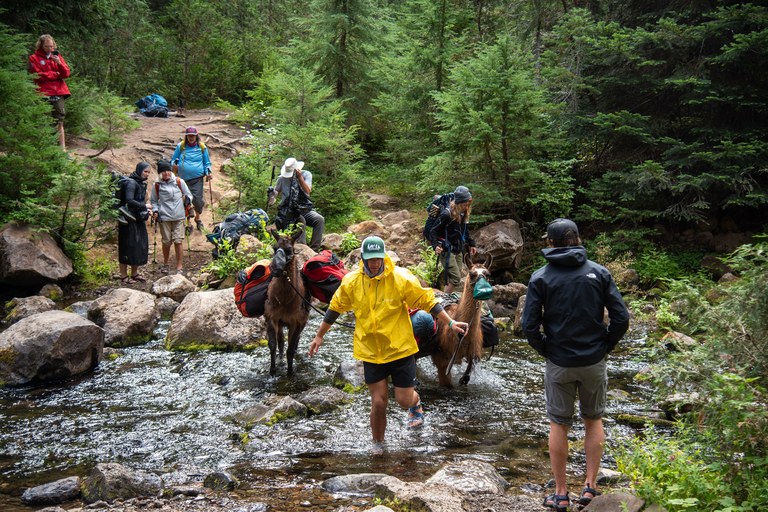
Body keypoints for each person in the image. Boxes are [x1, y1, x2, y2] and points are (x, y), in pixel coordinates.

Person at [308, 236, 468, 450]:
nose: (374, 263)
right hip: (370, 350)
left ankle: (415, 402)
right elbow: (335, 307)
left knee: (403, 399)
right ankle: (378, 447)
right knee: (379, 402)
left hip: (400, 349)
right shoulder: (352, 282)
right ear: (363, 259)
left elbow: (427, 300)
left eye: (377, 259)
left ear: (383, 257)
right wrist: (319, 336)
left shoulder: (400, 278)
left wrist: (450, 322)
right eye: (370, 259)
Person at [520, 218, 630, 512]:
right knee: (593, 420)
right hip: (593, 360)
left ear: (551, 243)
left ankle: (560, 493)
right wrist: (604, 345)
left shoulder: (540, 277)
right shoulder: (599, 272)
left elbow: (528, 325)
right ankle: (590, 488)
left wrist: (547, 350)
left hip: (559, 361)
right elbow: (621, 318)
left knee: (559, 423)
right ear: (578, 239)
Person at [269, 157, 325, 252]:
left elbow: (307, 191)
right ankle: (301, 248)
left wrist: (300, 178)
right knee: (301, 220)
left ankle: (314, 250)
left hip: (305, 209)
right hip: (289, 211)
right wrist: (271, 194)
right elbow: (272, 200)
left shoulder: (306, 174)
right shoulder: (282, 179)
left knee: (319, 219)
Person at [428, 185, 477, 293]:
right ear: (459, 202)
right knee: (456, 278)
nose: (467, 206)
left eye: (468, 204)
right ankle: (444, 299)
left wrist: (471, 244)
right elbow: (433, 231)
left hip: (457, 249)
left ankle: (446, 297)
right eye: (465, 204)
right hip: (447, 250)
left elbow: (464, 230)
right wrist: (436, 245)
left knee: (454, 278)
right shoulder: (446, 214)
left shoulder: (463, 212)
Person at [149, 160, 193, 275]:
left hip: (179, 216)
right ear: (160, 173)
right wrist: (155, 210)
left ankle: (179, 267)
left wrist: (188, 200)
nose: (166, 173)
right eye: (163, 171)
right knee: (166, 242)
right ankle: (166, 264)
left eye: (168, 170)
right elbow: (153, 201)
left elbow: (188, 194)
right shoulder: (157, 185)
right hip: (164, 217)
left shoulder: (179, 181)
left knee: (178, 241)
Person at [28, 34, 71, 149]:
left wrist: (59, 64)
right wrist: (55, 74)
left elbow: (66, 74)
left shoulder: (57, 56)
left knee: (59, 121)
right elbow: (37, 75)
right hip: (42, 92)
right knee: (42, 120)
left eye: (52, 46)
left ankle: (62, 150)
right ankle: (43, 148)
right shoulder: (34, 58)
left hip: (58, 92)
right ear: (41, 46)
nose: (50, 49)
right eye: (47, 46)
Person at [171, 126, 212, 232]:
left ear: (196, 136)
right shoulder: (181, 146)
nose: (191, 138)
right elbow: (173, 160)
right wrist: (174, 165)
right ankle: (188, 223)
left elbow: (207, 162)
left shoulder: (202, 147)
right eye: (189, 136)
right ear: (186, 136)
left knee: (198, 201)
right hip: (183, 179)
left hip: (197, 179)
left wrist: (208, 172)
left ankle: (198, 218)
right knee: (186, 201)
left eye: (193, 136)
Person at [117, 162, 151, 284]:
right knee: (127, 246)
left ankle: (134, 273)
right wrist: (144, 206)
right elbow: (129, 200)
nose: (146, 174)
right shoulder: (131, 183)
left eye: (148, 172)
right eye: (145, 171)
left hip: (138, 219)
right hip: (127, 219)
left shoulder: (141, 183)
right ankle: (123, 275)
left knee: (138, 246)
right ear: (139, 170)